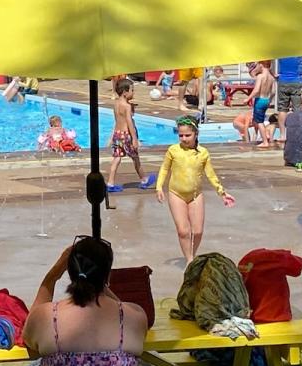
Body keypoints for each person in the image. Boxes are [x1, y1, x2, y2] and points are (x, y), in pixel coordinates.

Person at [22, 239, 147, 366]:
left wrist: (52, 276)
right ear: (108, 275)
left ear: (70, 272)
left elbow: (28, 336)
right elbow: (121, 308)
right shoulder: (134, 316)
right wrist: (98, 281)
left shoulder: (46, 316)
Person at [156, 116, 235, 262]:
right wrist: (159, 186)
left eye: (188, 135)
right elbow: (164, 169)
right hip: (176, 194)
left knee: (197, 231)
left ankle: (191, 254)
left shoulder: (203, 153)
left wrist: (222, 193)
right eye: (181, 135)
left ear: (196, 134)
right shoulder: (173, 150)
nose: (184, 139)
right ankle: (190, 260)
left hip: (195, 195)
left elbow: (211, 175)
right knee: (183, 231)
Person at [105, 78, 152, 192]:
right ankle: (144, 179)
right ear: (125, 92)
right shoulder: (127, 106)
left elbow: (117, 120)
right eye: (132, 90)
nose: (133, 93)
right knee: (136, 159)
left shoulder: (116, 104)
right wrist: (135, 139)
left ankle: (110, 183)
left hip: (118, 134)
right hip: (126, 135)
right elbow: (129, 122)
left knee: (116, 159)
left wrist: (111, 137)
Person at [276, 55, 302, 142]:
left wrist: (274, 75)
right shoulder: (301, 48)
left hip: (283, 81)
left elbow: (266, 61)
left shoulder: (281, 49)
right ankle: (298, 134)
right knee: (298, 109)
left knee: (282, 109)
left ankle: (283, 135)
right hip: (297, 81)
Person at [251, 61, 276, 147]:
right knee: (257, 120)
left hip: (259, 100)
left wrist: (248, 98)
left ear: (262, 65)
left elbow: (256, 90)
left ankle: (265, 141)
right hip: (266, 100)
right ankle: (262, 137)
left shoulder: (260, 76)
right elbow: (273, 92)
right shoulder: (271, 78)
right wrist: (270, 100)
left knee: (259, 122)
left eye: (257, 65)